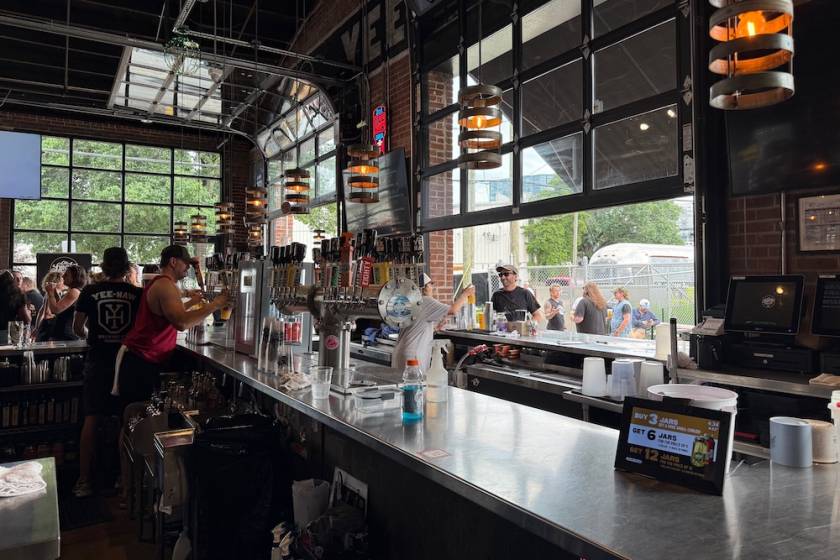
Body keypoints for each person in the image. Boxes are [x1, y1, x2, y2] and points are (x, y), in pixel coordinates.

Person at [113, 245, 227, 409]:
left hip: (141, 358)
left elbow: (170, 314)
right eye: (185, 263)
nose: (188, 267)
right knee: (137, 419)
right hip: (141, 362)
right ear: (173, 262)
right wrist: (215, 304)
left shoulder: (161, 283)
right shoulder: (165, 286)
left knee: (137, 419)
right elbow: (181, 323)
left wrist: (194, 302)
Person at [71, 247, 143, 498]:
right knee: (127, 420)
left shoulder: (90, 291)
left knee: (92, 418)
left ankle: (83, 480)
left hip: (98, 361)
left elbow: (77, 327)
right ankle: (124, 480)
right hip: (127, 362)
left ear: (103, 266)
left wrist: (95, 336)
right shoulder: (137, 294)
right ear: (126, 268)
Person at [392, 274, 474, 372]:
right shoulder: (425, 300)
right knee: (416, 385)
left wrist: (434, 329)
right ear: (423, 288)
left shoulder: (409, 301)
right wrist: (465, 294)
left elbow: (414, 327)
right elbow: (453, 310)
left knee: (401, 386)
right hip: (413, 356)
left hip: (400, 352)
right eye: (430, 284)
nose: (433, 288)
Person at [43, 265, 88, 341]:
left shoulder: (74, 291)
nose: (63, 276)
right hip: (62, 334)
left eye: (66, 275)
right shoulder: (71, 291)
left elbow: (55, 310)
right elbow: (58, 307)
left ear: (74, 278)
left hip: (67, 335)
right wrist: (54, 292)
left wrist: (50, 293)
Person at [0, 270, 31, 342]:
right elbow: (26, 319)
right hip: (12, 330)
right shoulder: (18, 294)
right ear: (12, 281)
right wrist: (28, 311)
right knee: (12, 352)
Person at [34, 271, 64, 341]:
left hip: (46, 324)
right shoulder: (53, 293)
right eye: (63, 280)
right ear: (58, 281)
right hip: (49, 325)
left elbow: (41, 311)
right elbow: (46, 313)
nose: (64, 283)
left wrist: (37, 327)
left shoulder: (48, 293)